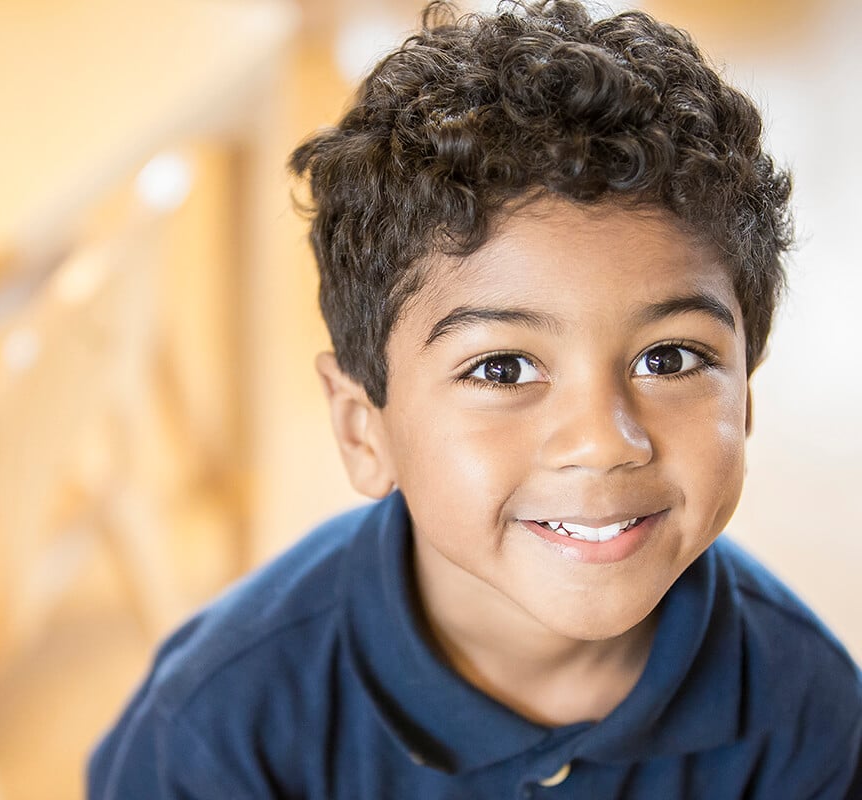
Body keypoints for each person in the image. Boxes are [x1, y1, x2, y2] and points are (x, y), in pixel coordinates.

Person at [87, 1, 862, 796]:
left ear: (746, 398)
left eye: (670, 358)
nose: (602, 440)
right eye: (502, 370)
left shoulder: (808, 712)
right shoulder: (215, 728)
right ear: (364, 430)